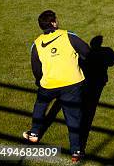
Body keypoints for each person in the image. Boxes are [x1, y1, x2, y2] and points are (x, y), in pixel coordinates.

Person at [23, 10, 90, 163]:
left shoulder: (37, 43)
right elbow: (87, 51)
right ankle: (76, 151)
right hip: (73, 83)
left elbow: (36, 68)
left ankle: (34, 134)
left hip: (49, 84)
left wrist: (40, 81)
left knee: (40, 105)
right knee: (73, 116)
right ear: (53, 23)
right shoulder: (68, 35)